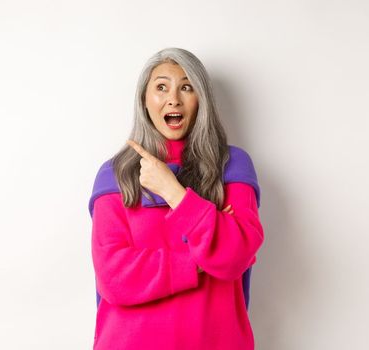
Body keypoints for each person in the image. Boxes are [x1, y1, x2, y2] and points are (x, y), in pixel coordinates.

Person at [88, 47, 264, 349]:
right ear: (145, 100)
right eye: (161, 87)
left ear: (202, 99)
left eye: (186, 86)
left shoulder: (232, 165)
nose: (173, 99)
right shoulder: (115, 173)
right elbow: (113, 277)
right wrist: (201, 260)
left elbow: (235, 256)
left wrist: (173, 191)